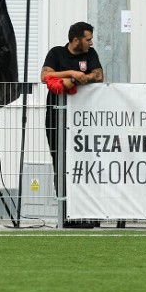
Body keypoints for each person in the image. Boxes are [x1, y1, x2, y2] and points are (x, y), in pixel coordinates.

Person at [41, 22, 104, 228]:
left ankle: (86, 211)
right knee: (61, 161)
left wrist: (76, 81)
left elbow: (99, 75)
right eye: (88, 38)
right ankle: (66, 214)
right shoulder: (56, 53)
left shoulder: (91, 54)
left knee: (84, 162)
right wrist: (72, 73)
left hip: (84, 119)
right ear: (76, 40)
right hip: (56, 117)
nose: (91, 42)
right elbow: (45, 76)